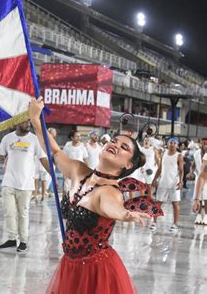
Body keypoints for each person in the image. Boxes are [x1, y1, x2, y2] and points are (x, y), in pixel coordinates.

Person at [28, 97, 151, 294]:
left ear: (127, 165)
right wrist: (35, 119)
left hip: (96, 273)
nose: (115, 145)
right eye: (114, 140)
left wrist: (126, 215)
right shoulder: (78, 170)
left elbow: (111, 207)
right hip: (70, 267)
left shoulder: (110, 192)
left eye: (124, 147)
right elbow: (54, 151)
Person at [0, 120, 49, 252]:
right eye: (25, 122)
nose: (28, 124)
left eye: (29, 122)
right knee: (9, 212)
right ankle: (12, 239)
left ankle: (23, 241)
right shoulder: (7, 138)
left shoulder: (34, 139)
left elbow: (43, 158)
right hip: (9, 182)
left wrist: (52, 172)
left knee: (23, 213)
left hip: (25, 184)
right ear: (16, 123)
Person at [152, 137, 184, 232]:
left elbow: (181, 170)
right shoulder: (164, 154)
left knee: (175, 204)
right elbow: (160, 168)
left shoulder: (179, 156)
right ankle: (154, 222)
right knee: (158, 203)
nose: (172, 144)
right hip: (163, 182)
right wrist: (154, 179)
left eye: (174, 143)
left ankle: (175, 224)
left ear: (177, 145)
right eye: (171, 142)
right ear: (168, 144)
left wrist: (181, 181)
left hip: (174, 183)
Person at [191, 141, 207, 224]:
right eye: (204, 144)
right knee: (201, 196)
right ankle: (200, 215)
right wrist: (191, 172)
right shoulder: (197, 153)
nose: (205, 146)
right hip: (200, 176)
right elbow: (193, 165)